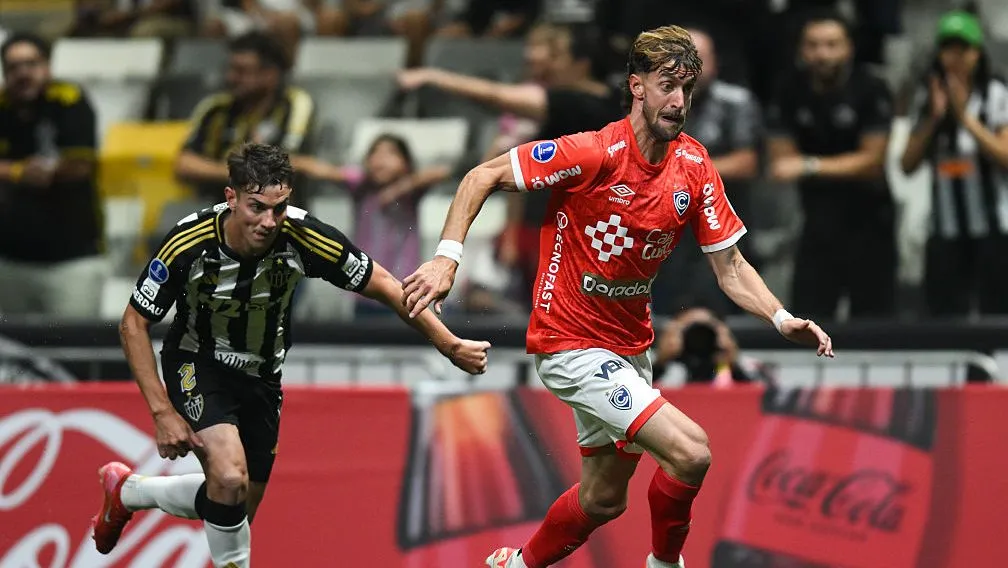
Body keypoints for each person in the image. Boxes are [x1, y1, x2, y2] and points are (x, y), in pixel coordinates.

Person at [402, 25, 834, 568]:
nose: (678, 101)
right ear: (637, 86)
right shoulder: (592, 152)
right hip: (570, 343)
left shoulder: (694, 167)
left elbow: (731, 266)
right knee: (691, 452)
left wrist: (780, 315)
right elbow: (481, 175)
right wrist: (447, 257)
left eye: (688, 88)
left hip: (629, 346)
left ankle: (516, 566)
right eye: (666, 86)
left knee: (603, 499)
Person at [90, 143, 490, 567]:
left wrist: (449, 343)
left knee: (233, 505)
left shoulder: (303, 235)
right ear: (231, 198)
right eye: (256, 207)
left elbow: (387, 285)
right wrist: (161, 412)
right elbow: (133, 322)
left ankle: (128, 492)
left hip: (263, 375)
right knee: (228, 477)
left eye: (279, 208)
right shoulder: (189, 243)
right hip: (198, 361)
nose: (268, 221)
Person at [767, 10, 896, 321]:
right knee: (807, 321)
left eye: (830, 44)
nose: (821, 54)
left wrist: (810, 165)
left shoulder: (871, 87)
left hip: (870, 223)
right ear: (801, 49)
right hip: (816, 224)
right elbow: (782, 164)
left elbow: (872, 162)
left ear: (848, 47)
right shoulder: (788, 89)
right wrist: (839, 165)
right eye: (812, 45)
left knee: (874, 325)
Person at [900, 9, 1008, 317]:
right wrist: (934, 120)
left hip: (993, 227)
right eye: (949, 48)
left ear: (978, 52)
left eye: (964, 49)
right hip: (945, 227)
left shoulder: (996, 95)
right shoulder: (929, 97)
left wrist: (965, 119)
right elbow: (906, 164)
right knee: (944, 313)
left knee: (996, 313)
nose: (956, 57)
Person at [0, 33, 105, 319]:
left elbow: (80, 165)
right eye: (13, 67)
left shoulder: (69, 100)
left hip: (72, 262)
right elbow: (30, 173)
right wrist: (19, 171)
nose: (22, 73)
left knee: (72, 353)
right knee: (15, 357)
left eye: (30, 64)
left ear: (47, 66)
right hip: (11, 260)